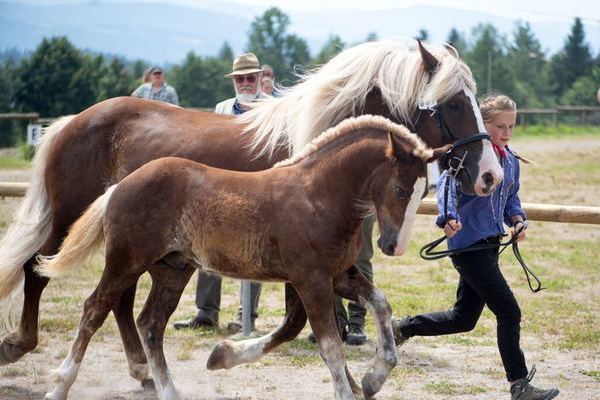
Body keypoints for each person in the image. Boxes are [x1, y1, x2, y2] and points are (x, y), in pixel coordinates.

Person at [392, 94, 559, 400]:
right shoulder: (468, 156)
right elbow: (446, 186)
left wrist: (518, 219)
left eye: (512, 125)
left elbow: (511, 197)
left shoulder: (509, 159)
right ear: (483, 124)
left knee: (463, 319)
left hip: (490, 245)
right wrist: (449, 216)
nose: (507, 132)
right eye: (500, 126)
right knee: (509, 311)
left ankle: (402, 328)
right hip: (468, 246)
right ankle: (519, 385)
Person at [174, 53, 265, 333]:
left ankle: (245, 316)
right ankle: (206, 312)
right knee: (207, 247)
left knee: (255, 252)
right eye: (241, 78)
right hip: (221, 189)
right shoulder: (222, 108)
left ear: (260, 79)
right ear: (234, 81)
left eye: (251, 77)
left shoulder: (273, 108)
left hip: (258, 189)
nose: (246, 83)